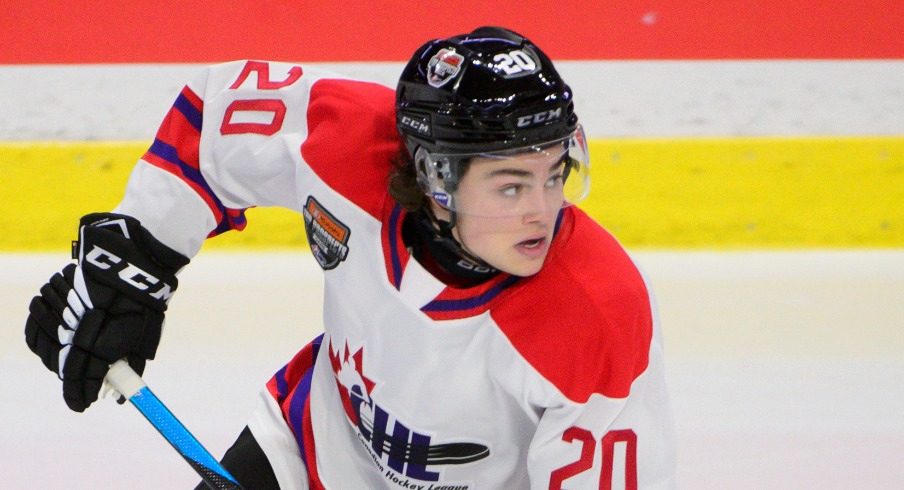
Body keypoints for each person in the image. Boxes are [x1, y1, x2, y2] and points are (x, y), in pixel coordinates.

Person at [25, 26, 676, 489]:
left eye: (555, 174)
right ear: (436, 177)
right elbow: (215, 118)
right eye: (511, 185)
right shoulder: (348, 144)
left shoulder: (597, 313)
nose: (544, 208)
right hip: (305, 454)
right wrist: (135, 261)